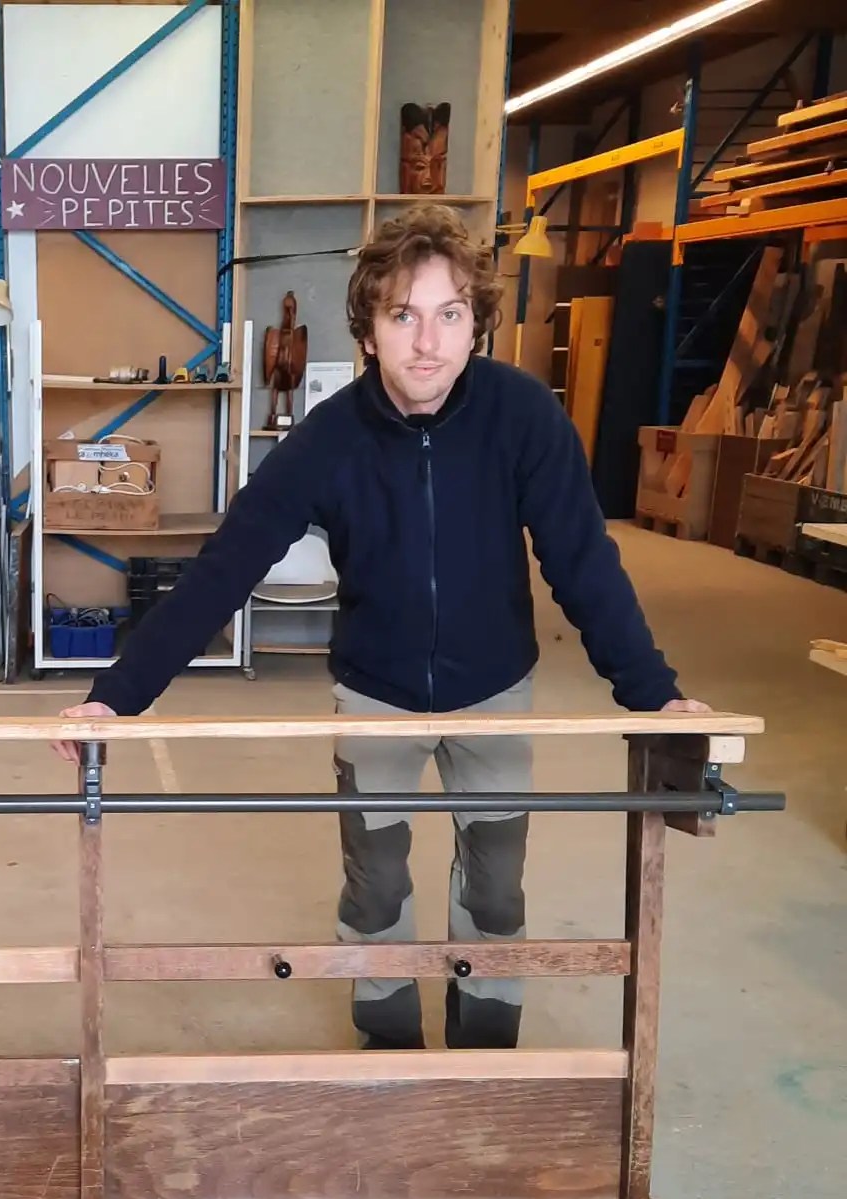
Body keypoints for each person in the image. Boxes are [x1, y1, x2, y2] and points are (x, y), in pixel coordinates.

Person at [55, 204, 709, 1051]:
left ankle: (484, 1055)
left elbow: (584, 565)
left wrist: (655, 698)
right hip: (376, 698)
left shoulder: (523, 417)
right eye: (403, 316)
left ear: (477, 323)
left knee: (496, 892)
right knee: (376, 891)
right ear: (367, 330)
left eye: (450, 314)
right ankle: (390, 1054)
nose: (428, 343)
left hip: (495, 691)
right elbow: (224, 569)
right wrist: (117, 697)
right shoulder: (327, 441)